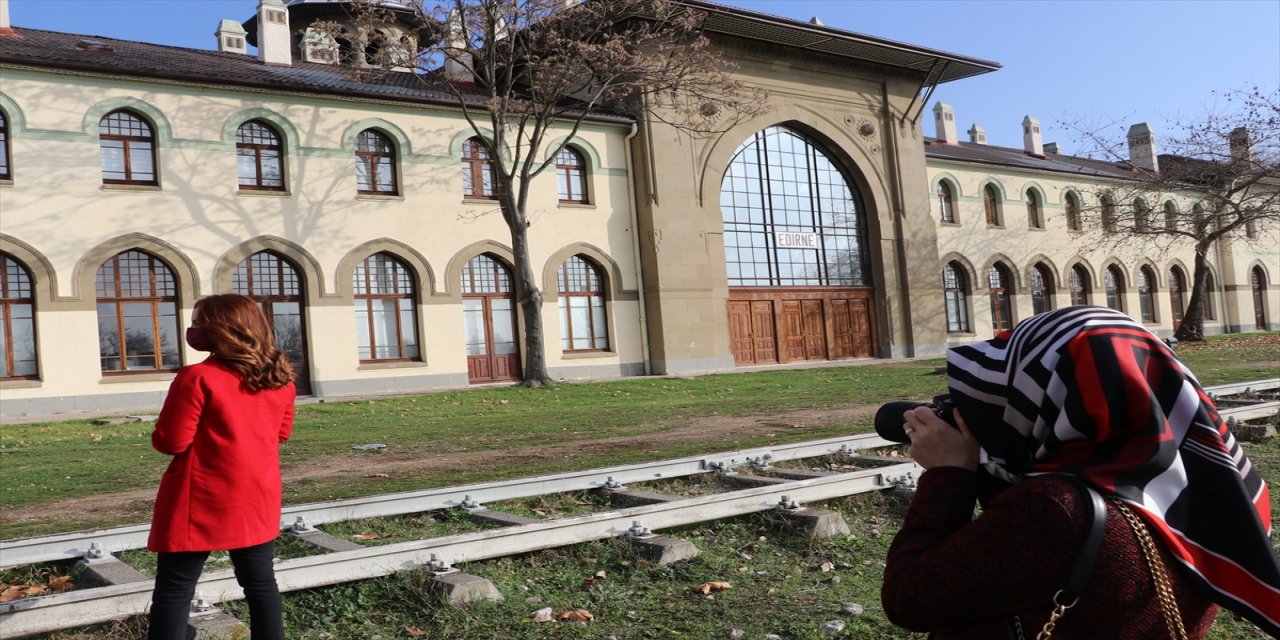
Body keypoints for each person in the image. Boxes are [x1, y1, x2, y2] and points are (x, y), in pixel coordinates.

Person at [881, 305, 1280, 639]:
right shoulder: (1213, 484)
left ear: (1047, 393)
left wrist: (950, 473)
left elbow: (909, 598)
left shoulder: (1053, 511)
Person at [147, 294, 296, 640]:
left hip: (199, 498)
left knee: (175, 590)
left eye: (199, 322)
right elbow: (281, 434)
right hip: (256, 495)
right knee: (261, 585)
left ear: (222, 329)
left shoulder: (197, 377)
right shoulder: (281, 378)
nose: (192, 329)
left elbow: (171, 442)